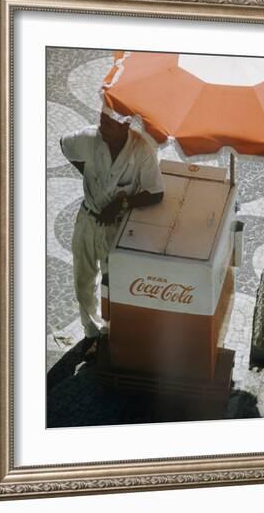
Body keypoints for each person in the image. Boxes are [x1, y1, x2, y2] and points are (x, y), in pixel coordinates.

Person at [60, 105, 165, 355]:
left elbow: (156, 193)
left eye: (108, 124)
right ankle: (91, 328)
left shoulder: (142, 150)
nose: (101, 128)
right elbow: (64, 145)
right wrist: (86, 172)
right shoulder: (89, 138)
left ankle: (111, 331)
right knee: (83, 280)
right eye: (101, 121)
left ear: (125, 125)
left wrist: (122, 202)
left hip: (117, 228)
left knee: (114, 282)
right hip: (87, 219)